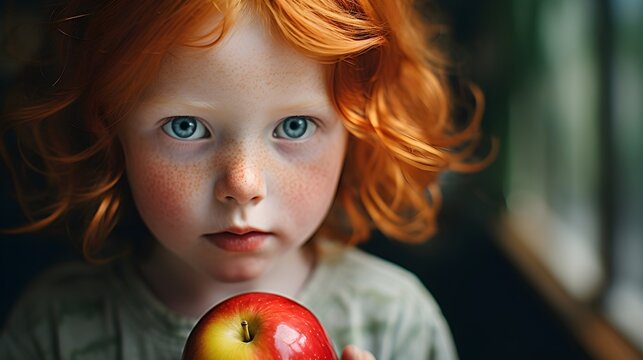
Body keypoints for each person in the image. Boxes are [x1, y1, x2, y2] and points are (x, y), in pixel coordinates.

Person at [0, 0, 487, 358]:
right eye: (185, 127)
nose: (243, 182)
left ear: (357, 133)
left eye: (293, 127)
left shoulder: (394, 322)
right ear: (110, 131)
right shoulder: (54, 331)